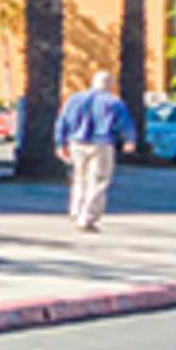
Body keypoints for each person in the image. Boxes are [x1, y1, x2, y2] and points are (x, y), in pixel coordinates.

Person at [54, 70, 132, 231]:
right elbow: (124, 124)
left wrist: (60, 143)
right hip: (101, 144)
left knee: (79, 178)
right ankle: (87, 217)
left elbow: (62, 122)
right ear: (110, 84)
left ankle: (76, 210)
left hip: (76, 143)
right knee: (98, 181)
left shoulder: (74, 100)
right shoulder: (114, 103)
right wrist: (129, 140)